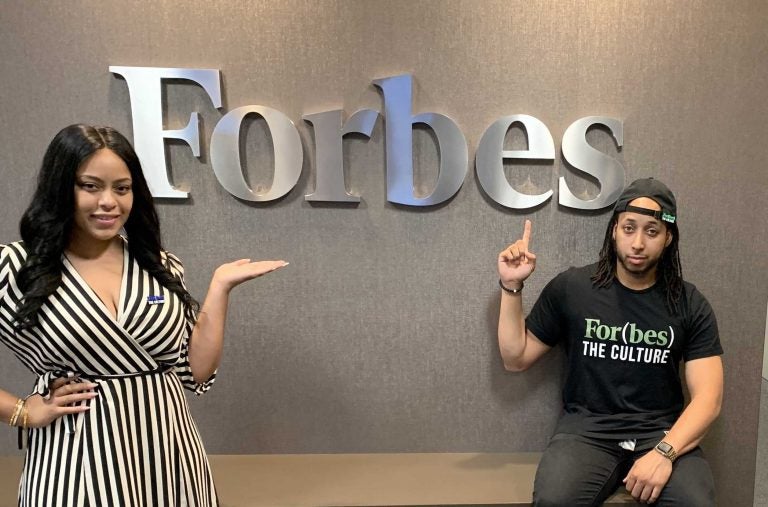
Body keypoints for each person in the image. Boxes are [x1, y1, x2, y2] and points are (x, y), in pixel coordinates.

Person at [0, 124, 287, 506]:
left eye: (122, 188)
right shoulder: (17, 266)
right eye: (90, 186)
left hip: (169, 454)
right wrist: (21, 411)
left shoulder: (159, 265)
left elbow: (193, 370)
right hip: (74, 458)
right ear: (61, 187)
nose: (109, 202)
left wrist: (219, 287)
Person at [496, 178, 723, 506]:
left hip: (660, 432)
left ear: (668, 238)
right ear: (614, 229)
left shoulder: (688, 303)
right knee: (554, 501)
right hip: (587, 433)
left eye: (652, 231)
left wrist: (664, 453)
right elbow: (514, 358)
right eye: (629, 228)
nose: (638, 243)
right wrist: (510, 286)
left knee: (695, 503)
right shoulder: (573, 289)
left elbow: (709, 399)